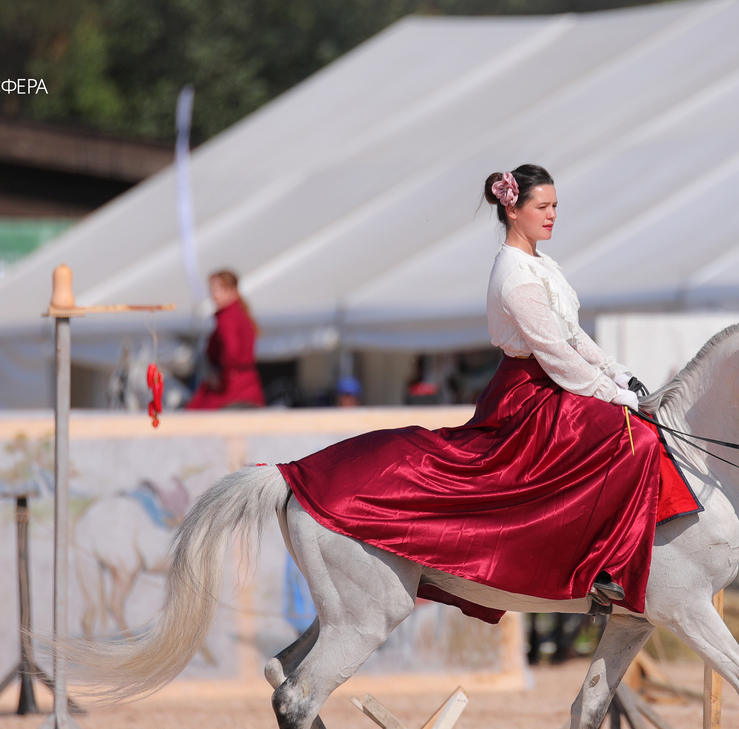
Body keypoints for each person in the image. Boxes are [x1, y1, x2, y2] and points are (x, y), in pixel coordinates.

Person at [276, 165, 698, 620]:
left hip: (552, 380)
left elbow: (572, 335)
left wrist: (617, 373)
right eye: (543, 206)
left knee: (636, 430)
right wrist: (609, 394)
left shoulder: (541, 264)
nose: (553, 214)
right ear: (513, 210)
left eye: (555, 206)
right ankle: (602, 565)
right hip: (532, 390)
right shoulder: (515, 275)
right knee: (633, 439)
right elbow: (553, 351)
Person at [185, 270, 265, 410]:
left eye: (219, 290)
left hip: (231, 390)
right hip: (248, 387)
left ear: (232, 291)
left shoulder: (227, 318)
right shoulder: (240, 314)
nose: (214, 295)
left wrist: (222, 379)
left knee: (193, 419)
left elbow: (231, 352)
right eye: (212, 290)